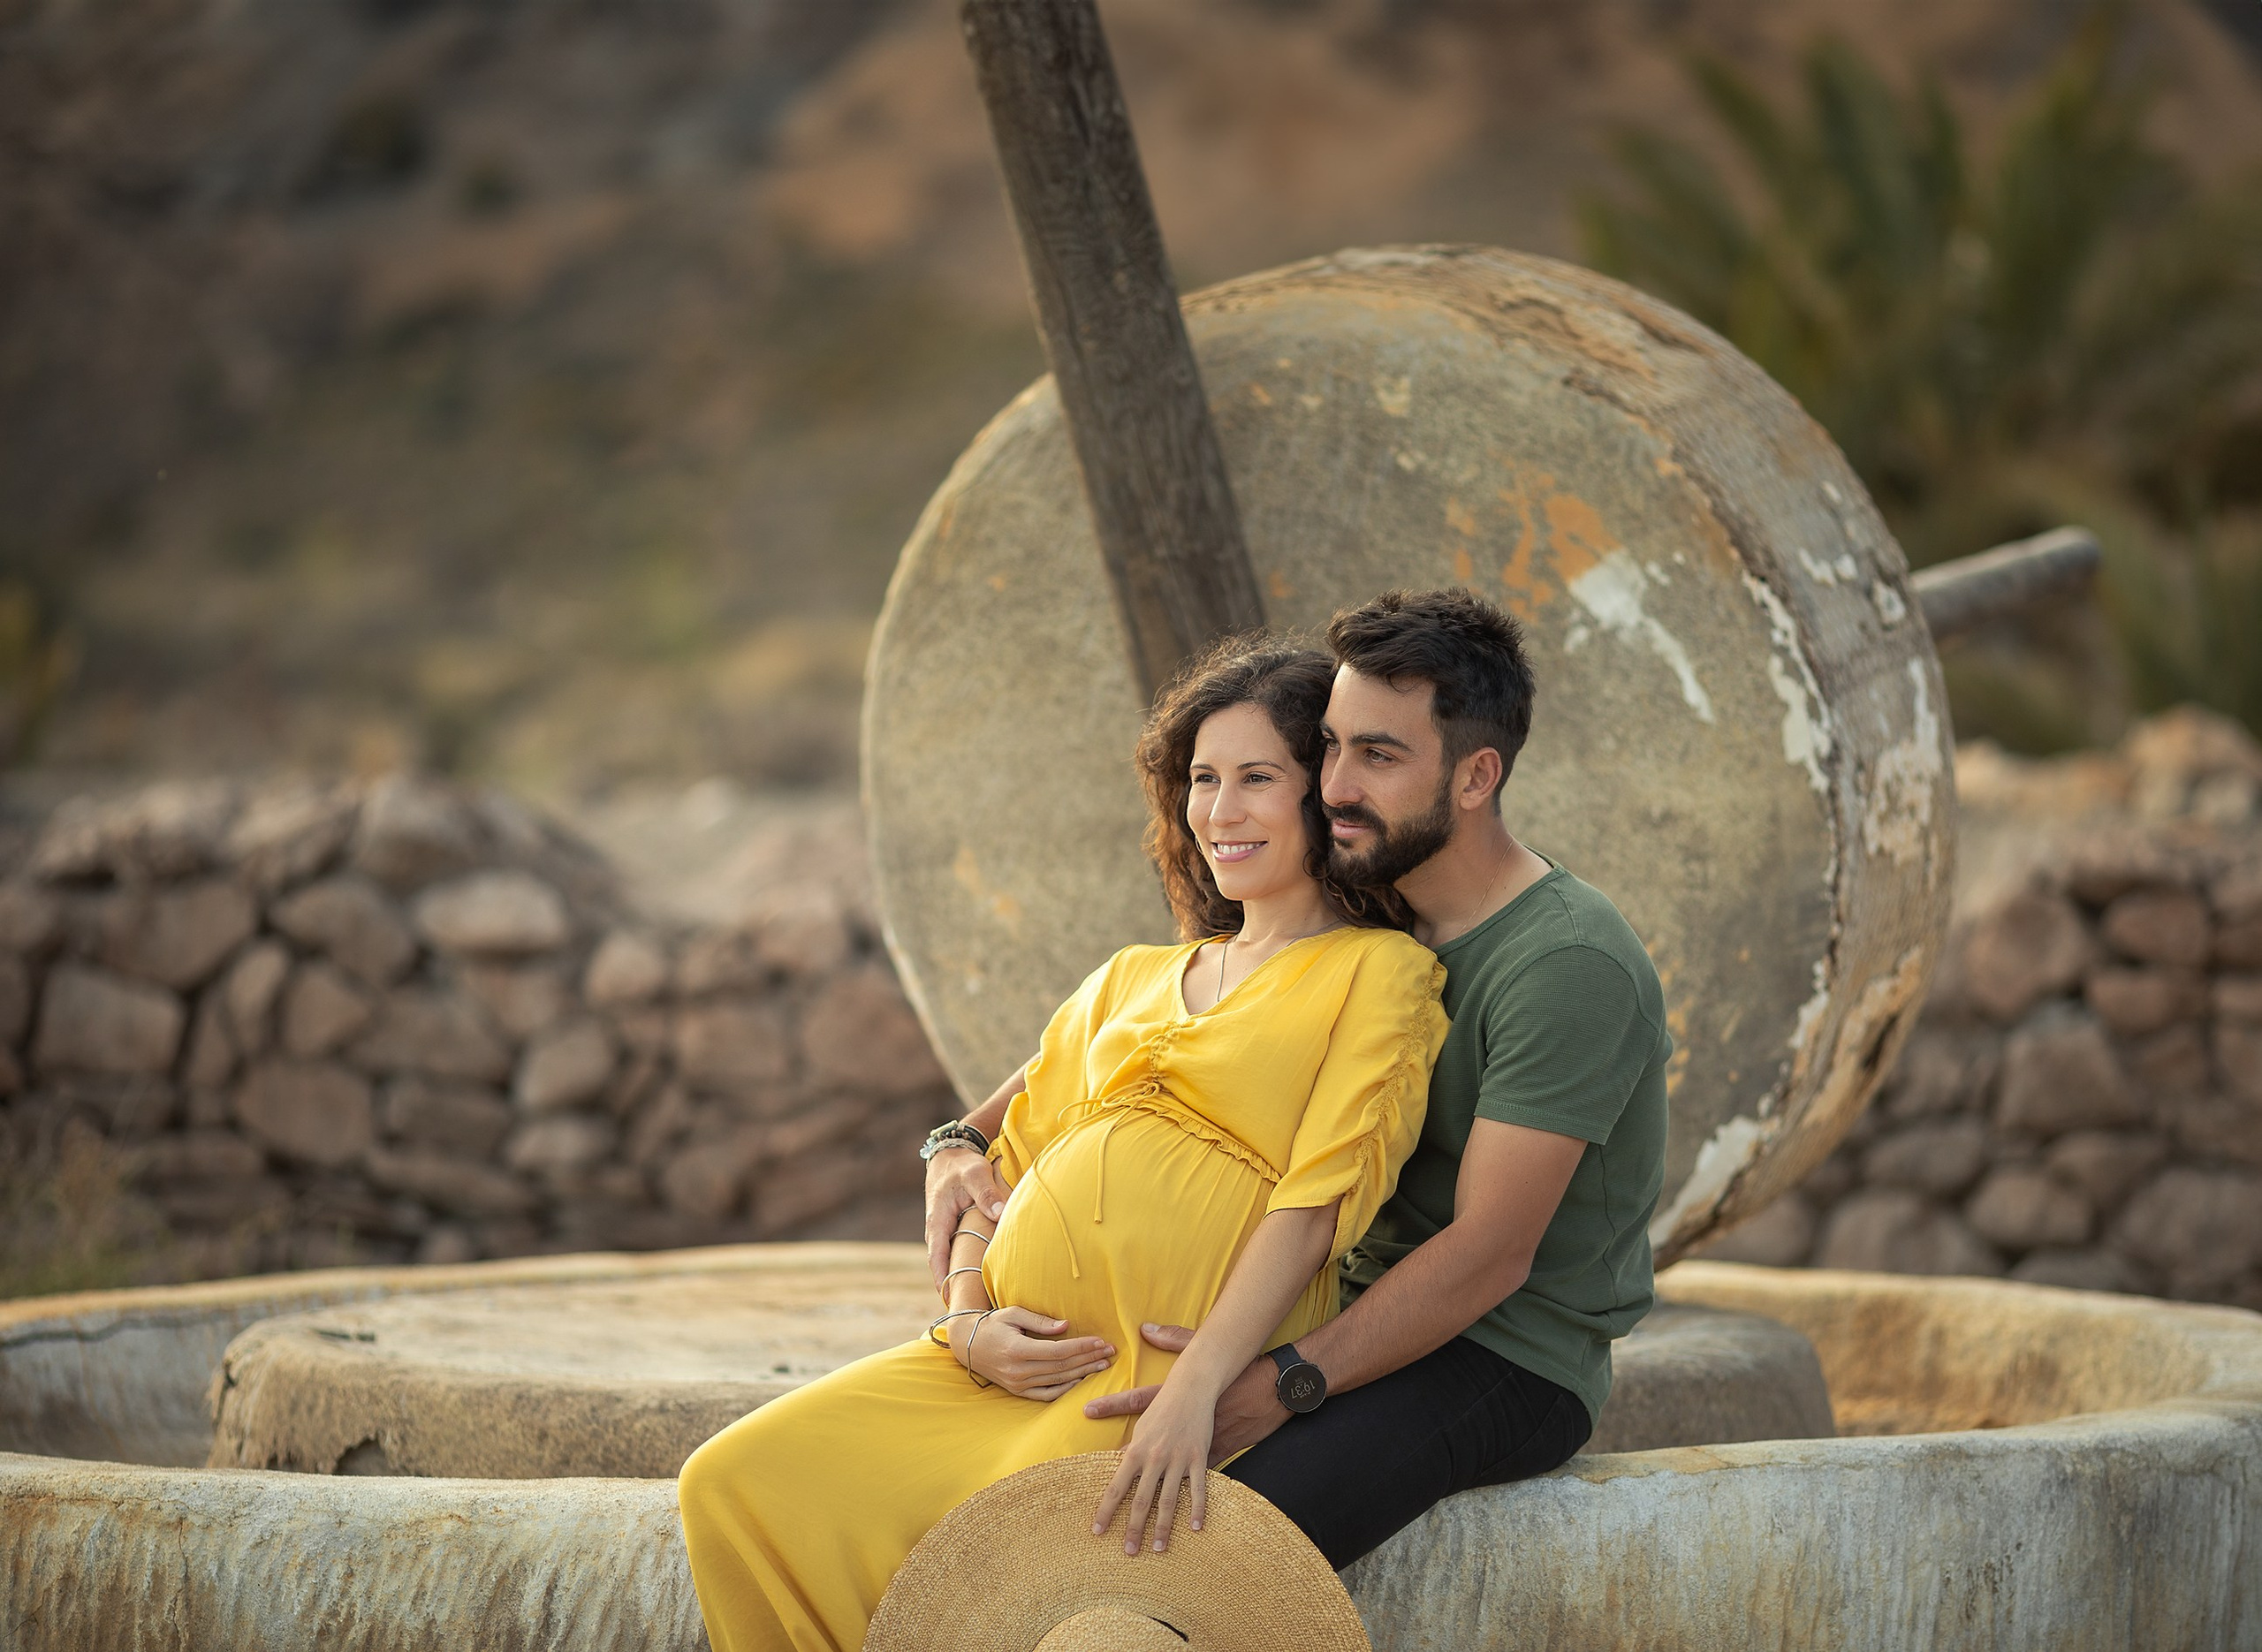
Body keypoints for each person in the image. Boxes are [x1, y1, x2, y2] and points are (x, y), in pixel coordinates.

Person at [679, 640, 1448, 1652]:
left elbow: (1314, 1208)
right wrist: (965, 1324)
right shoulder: (1126, 977)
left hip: (1145, 1373)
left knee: (1018, 1588)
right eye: (1202, 780)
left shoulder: (1378, 973)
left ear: (1325, 796)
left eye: (1258, 777)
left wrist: (1197, 1390)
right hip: (993, 1365)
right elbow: (985, 1174)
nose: (1220, 811)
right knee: (733, 1482)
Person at [927, 588, 1674, 1569]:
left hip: (1501, 1356)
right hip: (1333, 1308)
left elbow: (1490, 1256)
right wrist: (957, 1146)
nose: (1333, 784)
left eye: (1380, 755)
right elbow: (1088, 1062)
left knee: (1187, 1544)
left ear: (1475, 776)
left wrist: (1270, 1382)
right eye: (1329, 746)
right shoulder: (1377, 908)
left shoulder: (1565, 962)